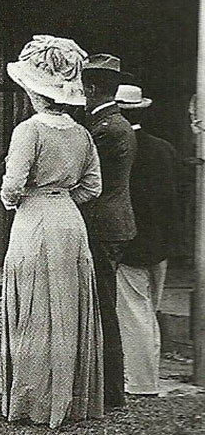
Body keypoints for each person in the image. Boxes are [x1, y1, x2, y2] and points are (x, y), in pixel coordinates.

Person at [0, 35, 104, 427]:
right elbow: (93, 187)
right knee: (66, 304)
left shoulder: (29, 130)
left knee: (35, 306)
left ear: (34, 91)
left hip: (35, 220)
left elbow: (13, 185)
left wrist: (23, 201)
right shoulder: (82, 133)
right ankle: (68, 400)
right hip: (70, 224)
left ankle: (35, 401)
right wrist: (62, 200)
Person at [81, 53, 138, 409]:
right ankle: (110, 388)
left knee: (103, 307)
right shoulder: (118, 125)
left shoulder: (105, 130)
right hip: (114, 223)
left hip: (102, 225)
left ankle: (111, 391)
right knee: (104, 305)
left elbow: (87, 178)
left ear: (91, 88)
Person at [114, 83, 178, 396]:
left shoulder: (120, 148)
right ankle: (146, 376)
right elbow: (173, 200)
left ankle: (141, 381)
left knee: (134, 312)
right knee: (149, 309)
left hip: (131, 242)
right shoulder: (164, 148)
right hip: (160, 242)